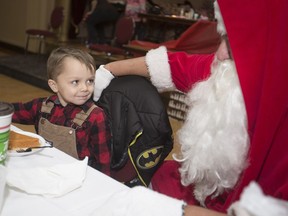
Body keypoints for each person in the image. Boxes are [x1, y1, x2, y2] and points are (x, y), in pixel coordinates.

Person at [92, 0, 288, 215]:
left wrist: (171, 210)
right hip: (206, 193)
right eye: (222, 38)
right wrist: (108, 70)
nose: (220, 54)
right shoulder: (230, 72)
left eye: (232, 44)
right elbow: (174, 65)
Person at [11, 47, 112, 176]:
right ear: (54, 85)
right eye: (75, 82)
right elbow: (12, 111)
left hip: (79, 180)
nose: (85, 88)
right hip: (44, 172)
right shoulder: (42, 106)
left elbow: (104, 163)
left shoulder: (96, 116)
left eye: (90, 81)